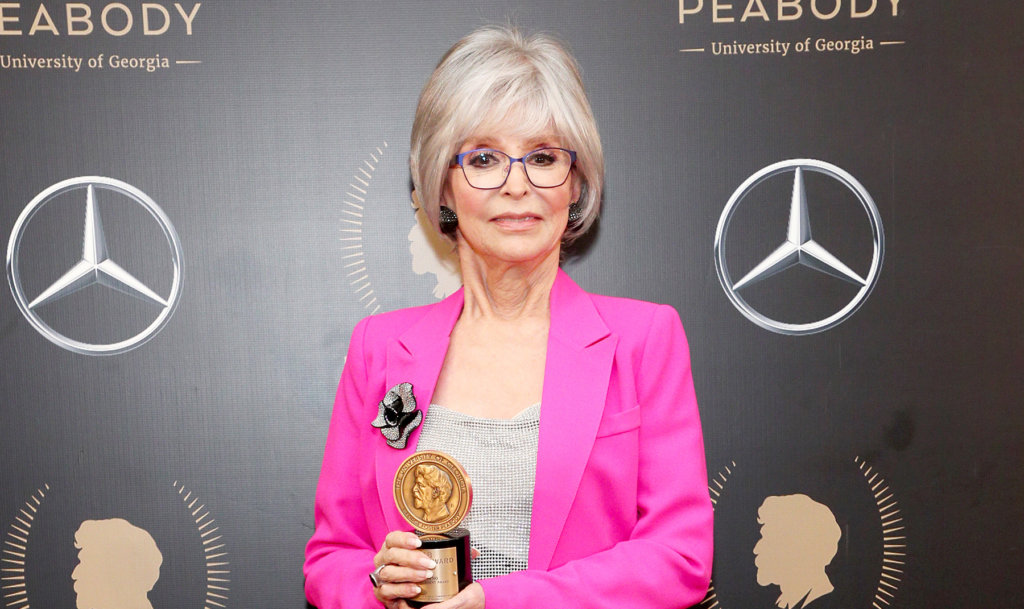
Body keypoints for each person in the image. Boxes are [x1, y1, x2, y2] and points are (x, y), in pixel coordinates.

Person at [304, 25, 713, 609]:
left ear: (575, 183)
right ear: (442, 185)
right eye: (485, 158)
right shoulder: (379, 347)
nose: (516, 185)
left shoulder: (645, 340)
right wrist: (377, 585)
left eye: (543, 157)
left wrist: (500, 601)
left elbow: (680, 558)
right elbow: (330, 560)